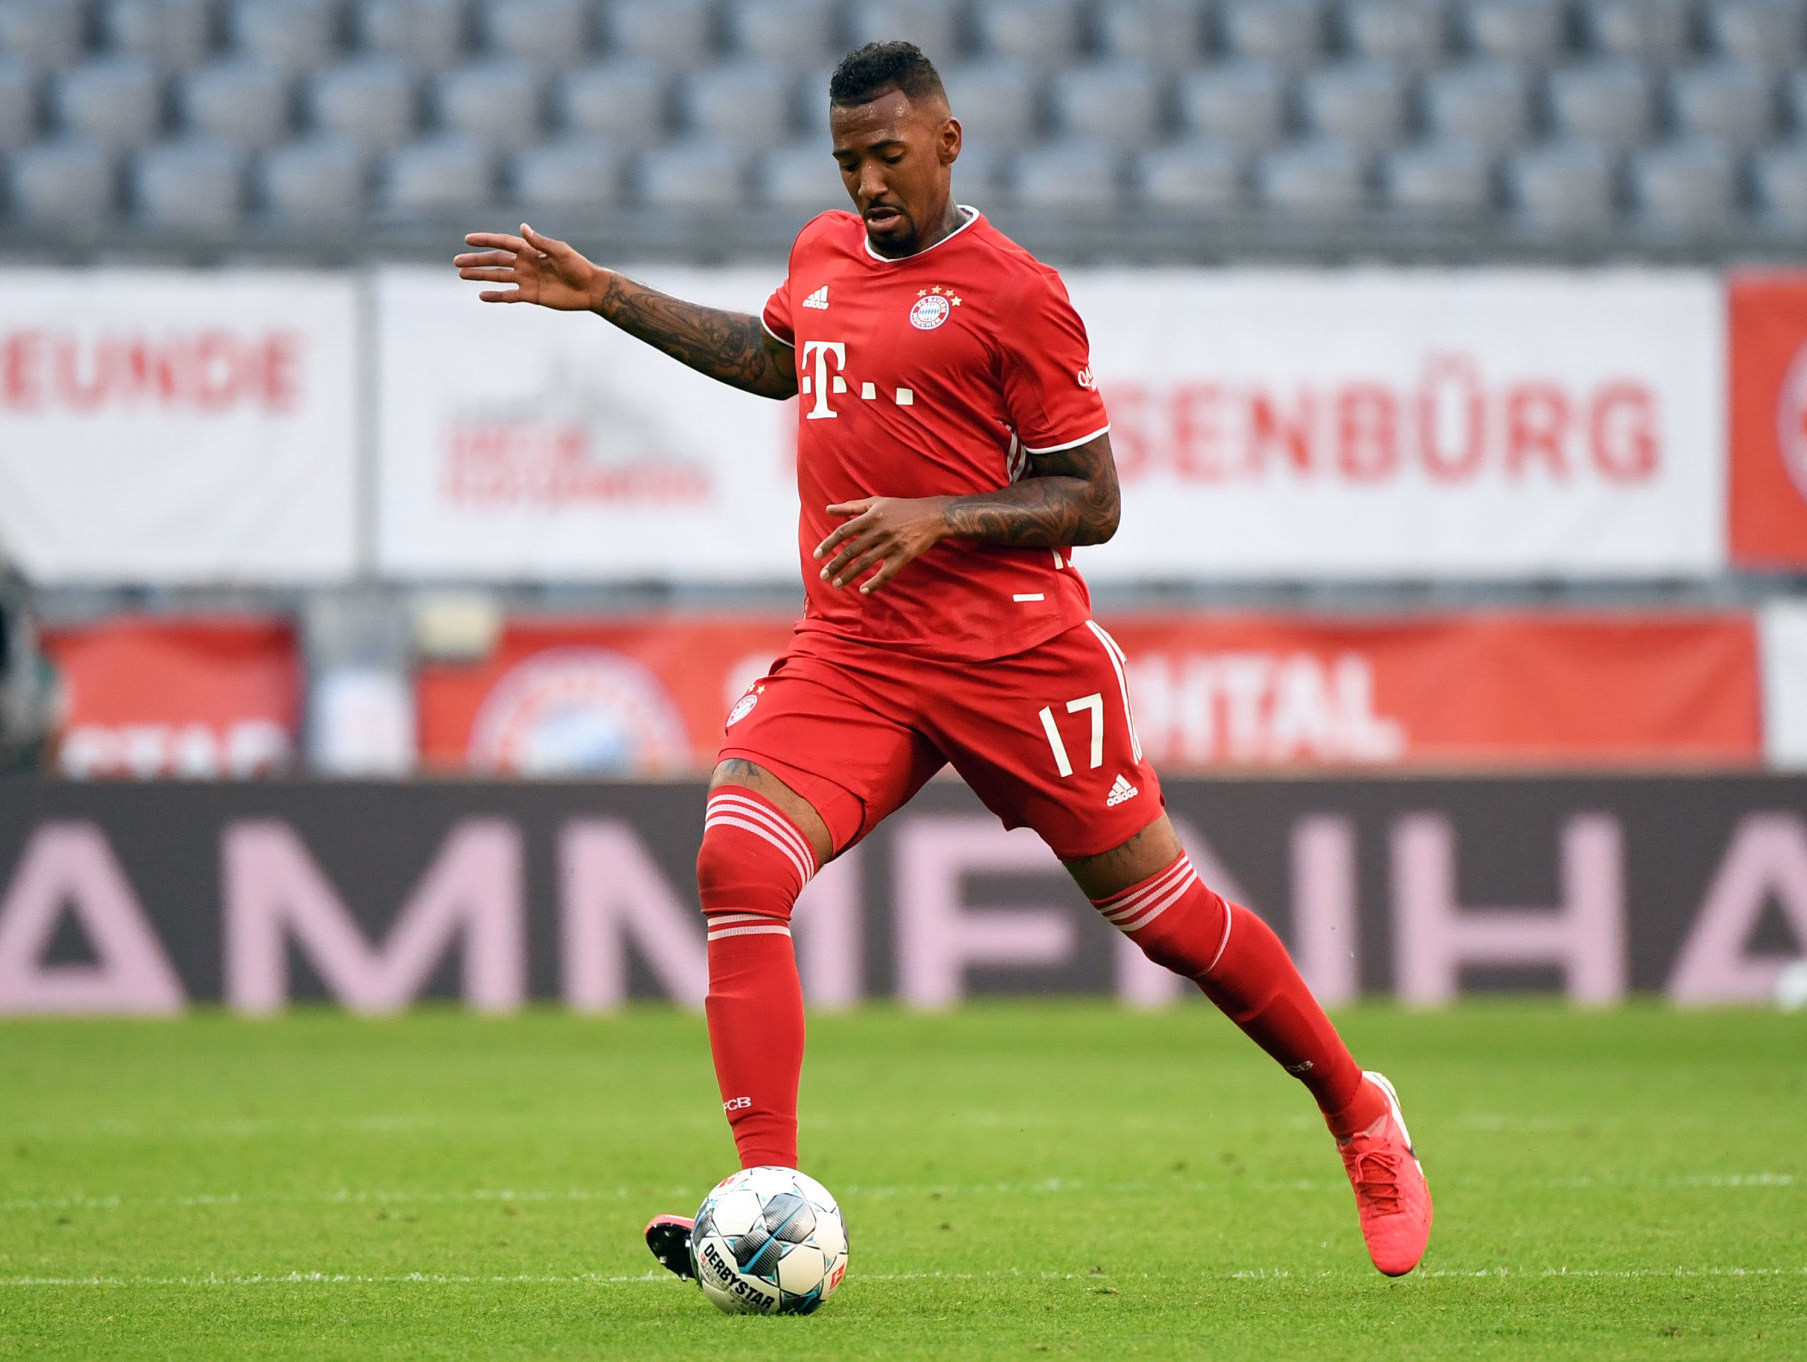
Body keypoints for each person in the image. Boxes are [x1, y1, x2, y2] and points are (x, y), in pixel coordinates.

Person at [454, 40, 1432, 1280]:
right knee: (735, 856)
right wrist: (611, 297)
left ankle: (1358, 1111)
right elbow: (777, 361)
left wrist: (940, 513)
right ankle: (764, 1192)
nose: (867, 182)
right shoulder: (822, 253)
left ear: (947, 141)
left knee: (1165, 918)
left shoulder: (1016, 291)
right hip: (858, 649)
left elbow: (1093, 501)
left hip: (1013, 656)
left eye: (888, 156)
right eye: (847, 160)